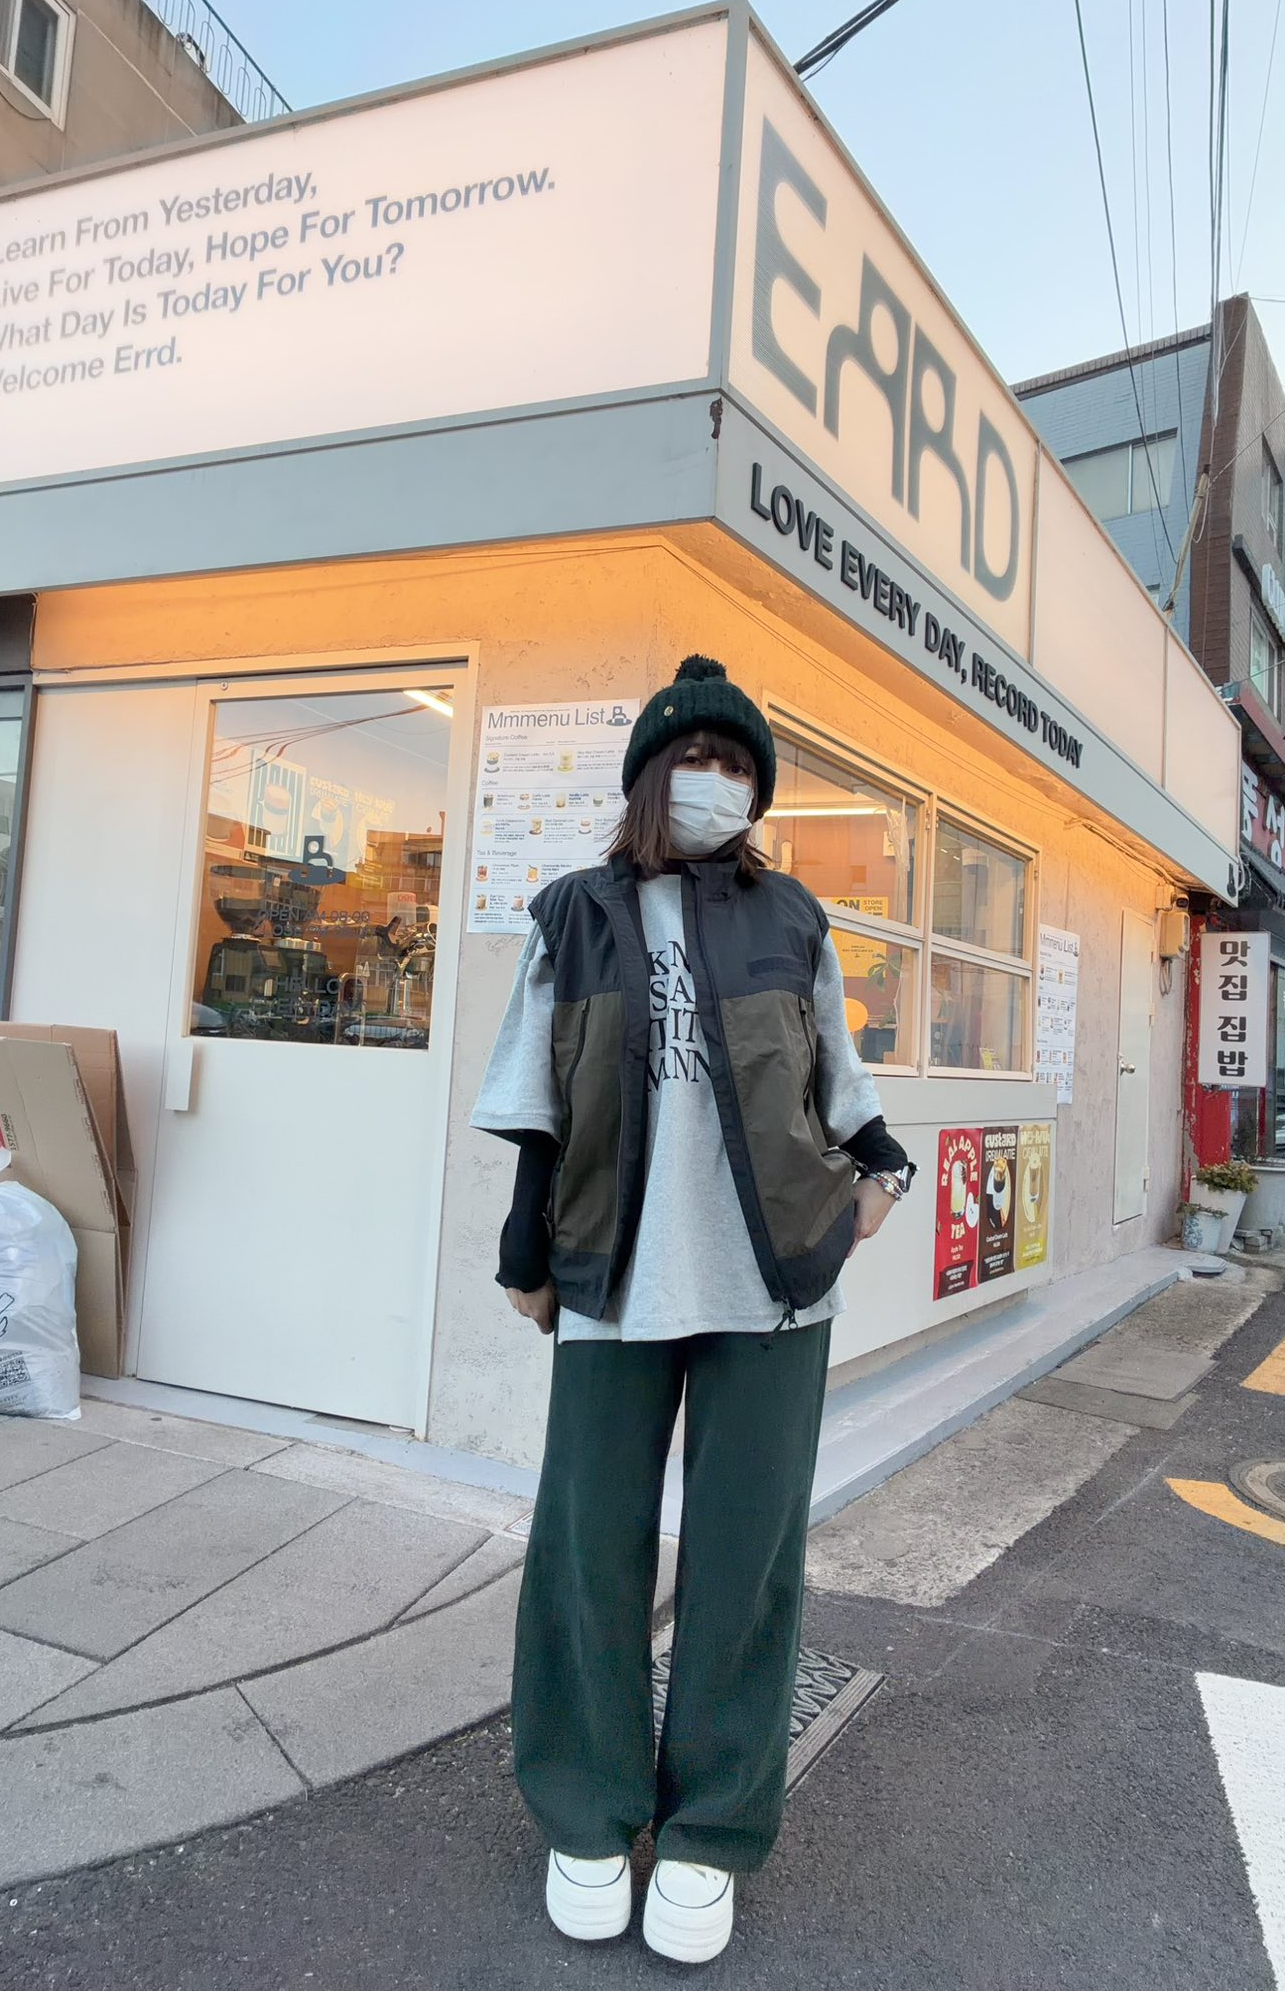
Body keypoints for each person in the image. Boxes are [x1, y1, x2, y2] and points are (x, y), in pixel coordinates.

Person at [472, 656, 914, 1964]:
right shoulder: (572, 915)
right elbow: (534, 1102)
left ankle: (712, 1832)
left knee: (746, 1561)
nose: (718, 783)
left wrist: (878, 1183)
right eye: (697, 761)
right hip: (613, 1278)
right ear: (651, 777)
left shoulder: (792, 918)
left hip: (773, 1286)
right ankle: (587, 1812)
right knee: (585, 1551)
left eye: (738, 768)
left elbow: (838, 1081)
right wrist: (524, 1248)